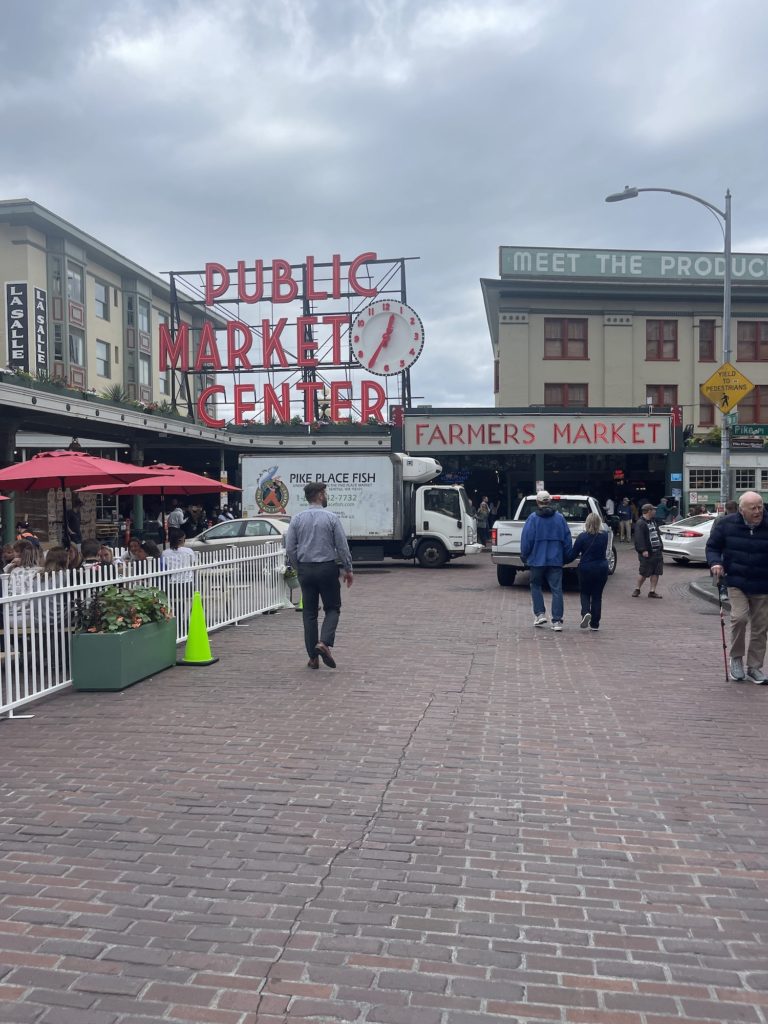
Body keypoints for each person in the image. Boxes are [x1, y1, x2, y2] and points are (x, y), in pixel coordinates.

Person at [285, 481, 354, 669]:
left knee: (309, 613)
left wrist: (298, 567)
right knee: (332, 608)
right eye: (325, 493)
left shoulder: (297, 519)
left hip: (306, 569)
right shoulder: (331, 518)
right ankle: (324, 642)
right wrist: (348, 569)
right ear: (320, 495)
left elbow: (290, 547)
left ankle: (313, 658)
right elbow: (341, 546)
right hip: (326, 568)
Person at [706, 491, 768, 684]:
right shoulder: (726, 524)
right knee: (739, 618)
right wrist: (715, 563)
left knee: (760, 627)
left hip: (763, 582)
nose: (758, 511)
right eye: (753, 508)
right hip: (736, 581)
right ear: (742, 510)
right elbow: (712, 547)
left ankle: (755, 667)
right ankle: (736, 659)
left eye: (760, 507)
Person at [520, 490, 574, 631]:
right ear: (549, 501)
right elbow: (567, 539)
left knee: (535, 585)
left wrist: (524, 555)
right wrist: (567, 556)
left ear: (538, 502)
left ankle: (540, 613)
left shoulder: (533, 518)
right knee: (557, 589)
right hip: (555, 559)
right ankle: (557, 621)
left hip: (537, 559)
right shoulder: (560, 518)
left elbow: (527, 539)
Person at [571, 513, 609, 631]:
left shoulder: (582, 537)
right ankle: (595, 623)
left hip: (586, 568)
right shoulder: (604, 536)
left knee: (585, 592)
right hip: (602, 567)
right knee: (597, 596)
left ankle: (586, 612)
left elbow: (573, 554)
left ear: (587, 523)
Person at [633, 503, 664, 598]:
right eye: (653, 509)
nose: (655, 511)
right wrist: (643, 550)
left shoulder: (653, 521)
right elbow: (639, 538)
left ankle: (652, 591)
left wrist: (660, 545)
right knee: (644, 572)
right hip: (647, 553)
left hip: (657, 551)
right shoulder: (640, 523)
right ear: (649, 511)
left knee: (656, 571)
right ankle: (637, 589)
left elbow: (656, 534)